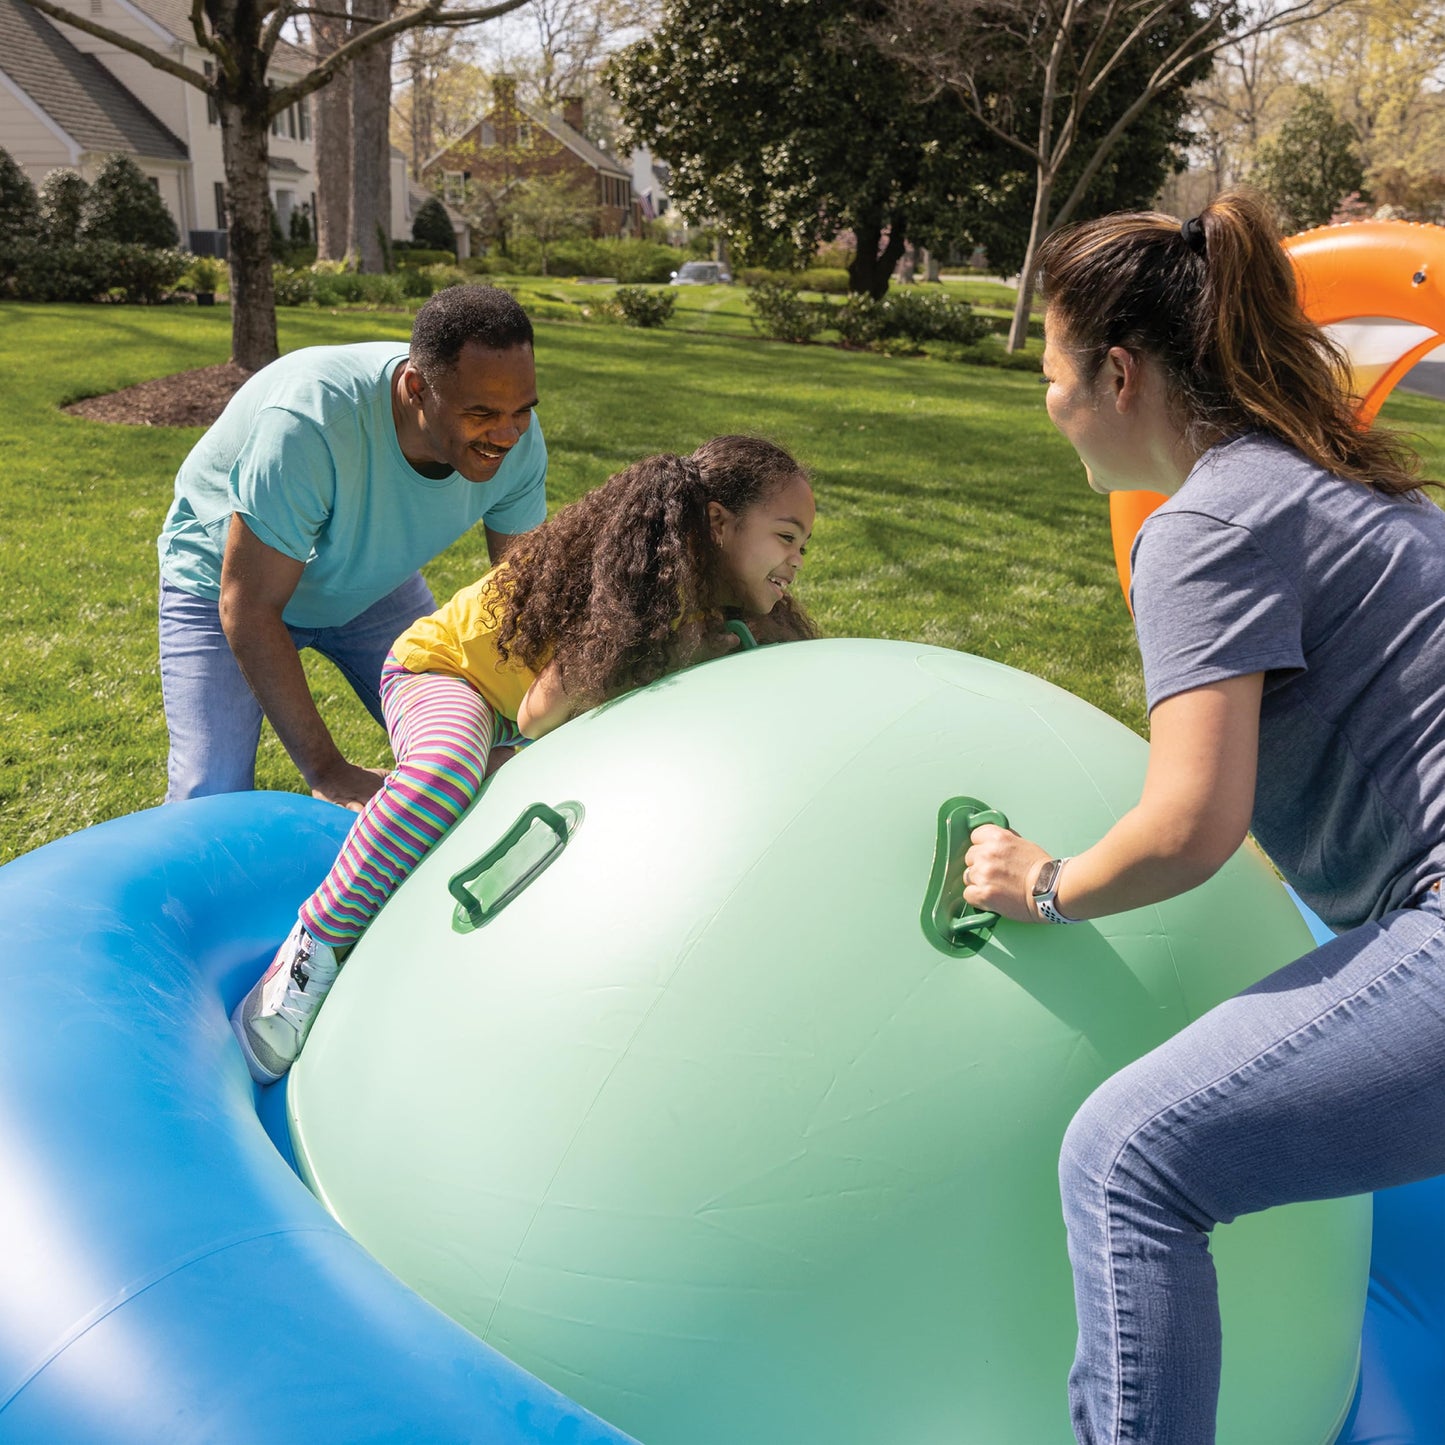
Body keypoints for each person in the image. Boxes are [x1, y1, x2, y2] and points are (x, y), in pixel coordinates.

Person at [961, 191, 1445, 1445]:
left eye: (1050, 367)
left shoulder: (1208, 521)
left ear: (1115, 372)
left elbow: (1189, 825)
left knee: (1129, 1159)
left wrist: (1042, 882)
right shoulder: (1329, 484)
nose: (1047, 398)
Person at [231, 435, 817, 1083]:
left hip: (519, 720)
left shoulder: (715, 605)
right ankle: (314, 945)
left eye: (803, 546)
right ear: (717, 523)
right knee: (443, 775)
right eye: (785, 537)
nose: (795, 559)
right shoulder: (640, 587)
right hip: (448, 674)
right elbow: (543, 710)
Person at [157, 285, 546, 810]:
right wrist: (327, 769)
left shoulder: (518, 439)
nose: (505, 434)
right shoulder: (310, 423)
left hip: (373, 585)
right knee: (210, 794)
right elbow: (247, 607)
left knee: (481, 747)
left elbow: (521, 598)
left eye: (521, 410)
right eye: (481, 413)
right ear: (416, 387)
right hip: (226, 583)